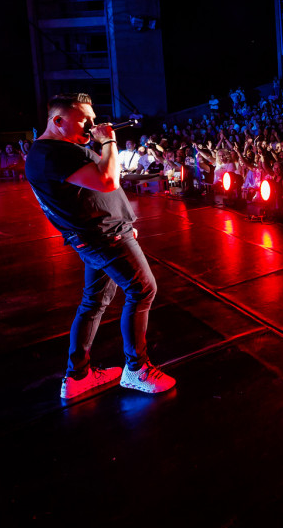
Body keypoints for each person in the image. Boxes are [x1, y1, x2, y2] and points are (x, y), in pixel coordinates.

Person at [25, 93, 175, 399]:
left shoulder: (59, 150)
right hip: (104, 237)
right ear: (58, 121)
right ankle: (137, 369)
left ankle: (78, 375)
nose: (92, 126)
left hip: (102, 234)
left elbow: (97, 185)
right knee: (142, 290)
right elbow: (108, 181)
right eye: (84, 120)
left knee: (93, 302)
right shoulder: (51, 154)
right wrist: (108, 142)